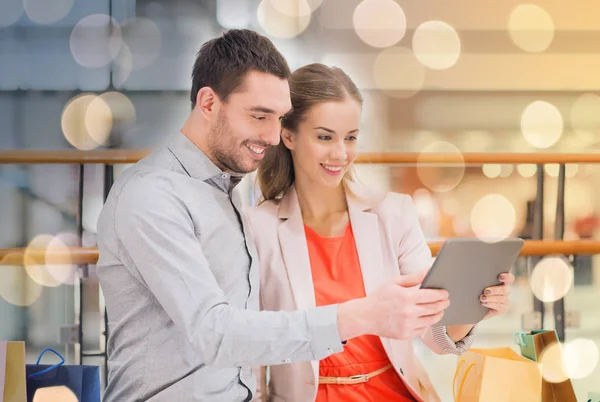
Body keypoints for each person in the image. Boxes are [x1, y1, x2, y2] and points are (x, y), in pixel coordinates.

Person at [95, 30, 451, 402]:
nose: (272, 136)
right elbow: (216, 334)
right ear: (208, 103)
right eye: (259, 116)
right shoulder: (153, 195)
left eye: (278, 119)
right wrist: (361, 315)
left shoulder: (222, 194)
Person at [247, 63, 515, 402]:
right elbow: (251, 350)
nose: (340, 154)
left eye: (351, 137)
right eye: (325, 137)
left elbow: (435, 336)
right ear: (289, 135)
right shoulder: (259, 228)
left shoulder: (394, 214)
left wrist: (473, 309)